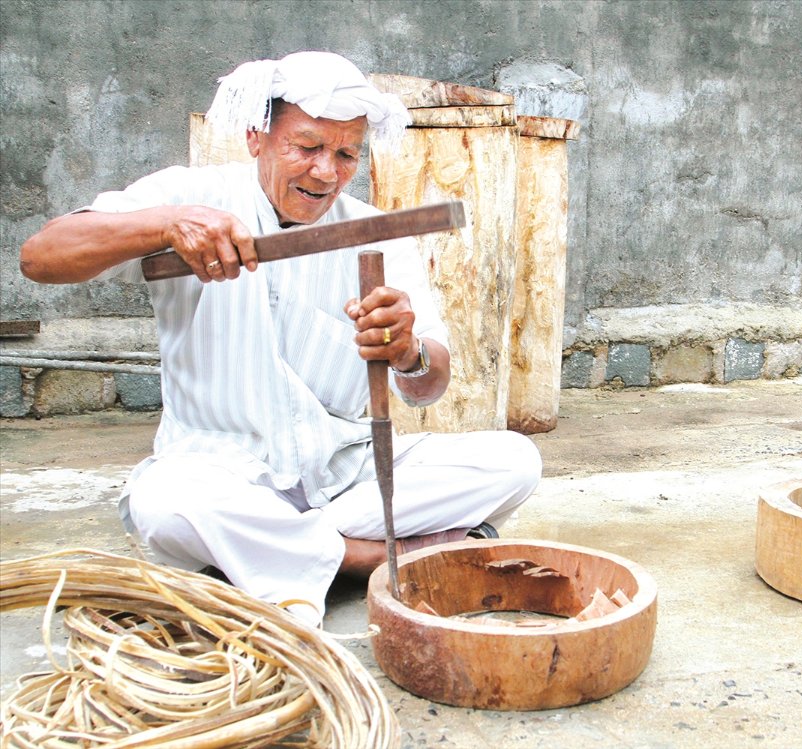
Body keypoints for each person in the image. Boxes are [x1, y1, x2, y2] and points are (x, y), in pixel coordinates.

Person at [20, 51, 542, 625]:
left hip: (349, 474)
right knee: (165, 505)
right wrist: (164, 225)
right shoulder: (189, 198)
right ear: (256, 136)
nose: (327, 172)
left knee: (513, 460)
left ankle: (277, 549)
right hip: (225, 470)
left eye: (346, 154)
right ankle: (367, 557)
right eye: (308, 146)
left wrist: (407, 351)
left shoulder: (377, 234)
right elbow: (42, 257)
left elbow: (427, 386)